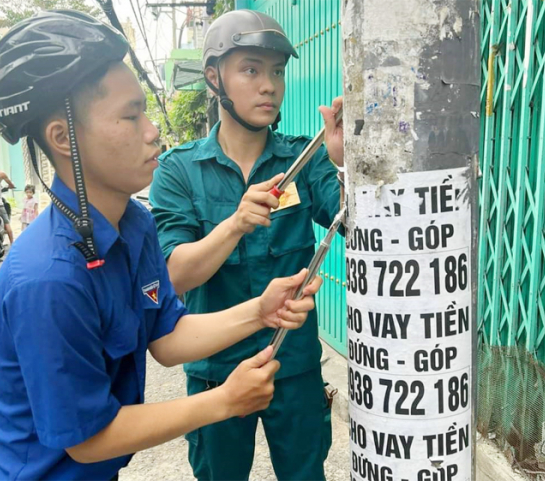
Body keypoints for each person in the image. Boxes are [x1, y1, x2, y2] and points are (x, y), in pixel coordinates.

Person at [0, 10, 322, 481]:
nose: (152, 131)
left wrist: (261, 311)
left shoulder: (134, 226)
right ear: (63, 138)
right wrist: (222, 400)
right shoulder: (47, 277)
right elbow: (89, 441)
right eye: (131, 115)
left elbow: (166, 338)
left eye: (145, 111)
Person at [149, 9, 344, 481]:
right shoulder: (178, 171)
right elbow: (175, 273)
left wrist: (344, 164)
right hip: (215, 370)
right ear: (214, 78)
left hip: (293, 367)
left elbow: (359, 227)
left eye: (276, 71)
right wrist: (234, 224)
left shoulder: (305, 158)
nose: (270, 85)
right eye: (251, 69)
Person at [0, 169, 15, 244]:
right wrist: (9, 186)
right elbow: (11, 185)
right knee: (7, 223)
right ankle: (12, 244)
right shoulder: (0, 173)